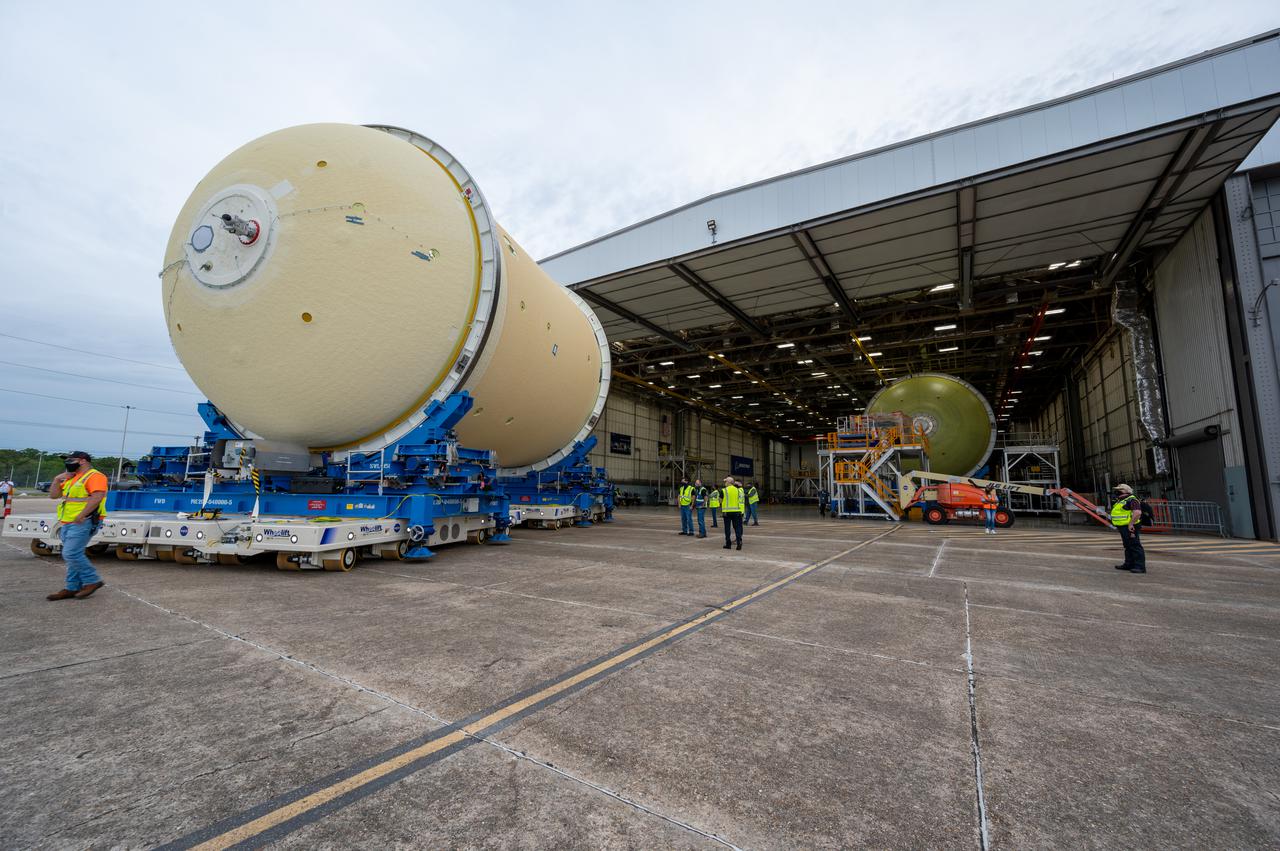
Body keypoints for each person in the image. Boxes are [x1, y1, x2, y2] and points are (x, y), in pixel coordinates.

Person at [46, 451, 109, 601]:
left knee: (70, 553)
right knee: (73, 554)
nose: (67, 462)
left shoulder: (95, 476)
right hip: (68, 521)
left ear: (82, 461)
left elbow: (97, 497)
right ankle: (72, 587)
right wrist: (56, 480)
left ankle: (92, 580)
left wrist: (82, 515)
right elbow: (54, 495)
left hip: (84, 520)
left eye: (70, 459)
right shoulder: (71, 477)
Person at [1110, 483, 1146, 574]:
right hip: (1124, 527)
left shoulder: (1132, 500)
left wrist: (1131, 524)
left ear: (1126, 491)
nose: (1117, 491)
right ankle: (1129, 564)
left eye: (1119, 489)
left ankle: (1140, 566)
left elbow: (1137, 513)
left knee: (1135, 545)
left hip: (1130, 527)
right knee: (1127, 546)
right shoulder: (1121, 500)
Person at [721, 476, 745, 550]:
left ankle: (728, 544)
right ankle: (739, 543)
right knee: (737, 528)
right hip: (737, 511)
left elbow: (720, 501)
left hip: (727, 512)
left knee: (727, 529)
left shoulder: (724, 490)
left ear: (728, 482)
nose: (725, 483)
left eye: (725, 481)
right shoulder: (738, 490)